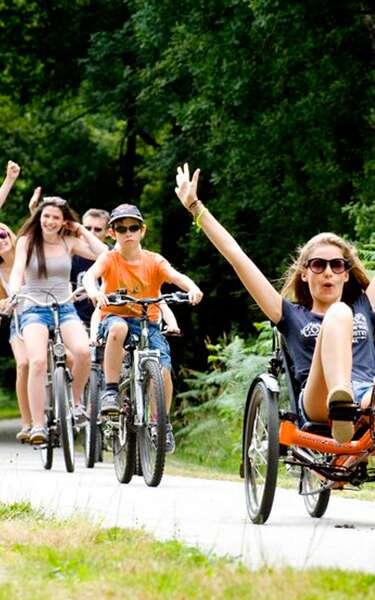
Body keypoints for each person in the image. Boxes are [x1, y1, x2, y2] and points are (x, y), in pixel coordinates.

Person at [175, 163, 375, 444]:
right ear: (304, 274)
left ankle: (351, 402)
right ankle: (341, 401)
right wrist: (196, 207)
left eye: (337, 265)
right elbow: (237, 256)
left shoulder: (365, 305)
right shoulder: (290, 315)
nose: (328, 272)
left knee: (344, 314)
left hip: (368, 396)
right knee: (339, 313)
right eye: (318, 265)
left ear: (346, 272)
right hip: (319, 400)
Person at [83, 203, 203, 453]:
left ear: (142, 231)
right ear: (112, 233)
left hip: (147, 321)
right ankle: (111, 391)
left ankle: (162, 424)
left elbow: (176, 276)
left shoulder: (154, 260)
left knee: (163, 370)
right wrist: (94, 292)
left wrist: (192, 289)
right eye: (121, 228)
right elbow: (90, 276)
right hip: (115, 317)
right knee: (118, 329)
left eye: (133, 227)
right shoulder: (110, 258)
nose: (128, 233)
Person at [9, 197, 107, 445]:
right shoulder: (26, 242)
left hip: (65, 307)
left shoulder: (69, 242)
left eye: (56, 217)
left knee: (84, 352)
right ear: (39, 218)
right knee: (38, 361)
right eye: (46, 216)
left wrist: (81, 229)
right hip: (33, 308)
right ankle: (38, 425)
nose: (50, 221)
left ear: (64, 221)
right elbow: (17, 271)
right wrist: (14, 293)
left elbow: (104, 254)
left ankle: (75, 403)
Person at [0, 222, 32, 441]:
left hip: (44, 315)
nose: (0, 241)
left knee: (69, 357)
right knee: (23, 364)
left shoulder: (29, 260)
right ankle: (28, 423)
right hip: (19, 320)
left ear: (11, 236)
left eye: (2, 235)